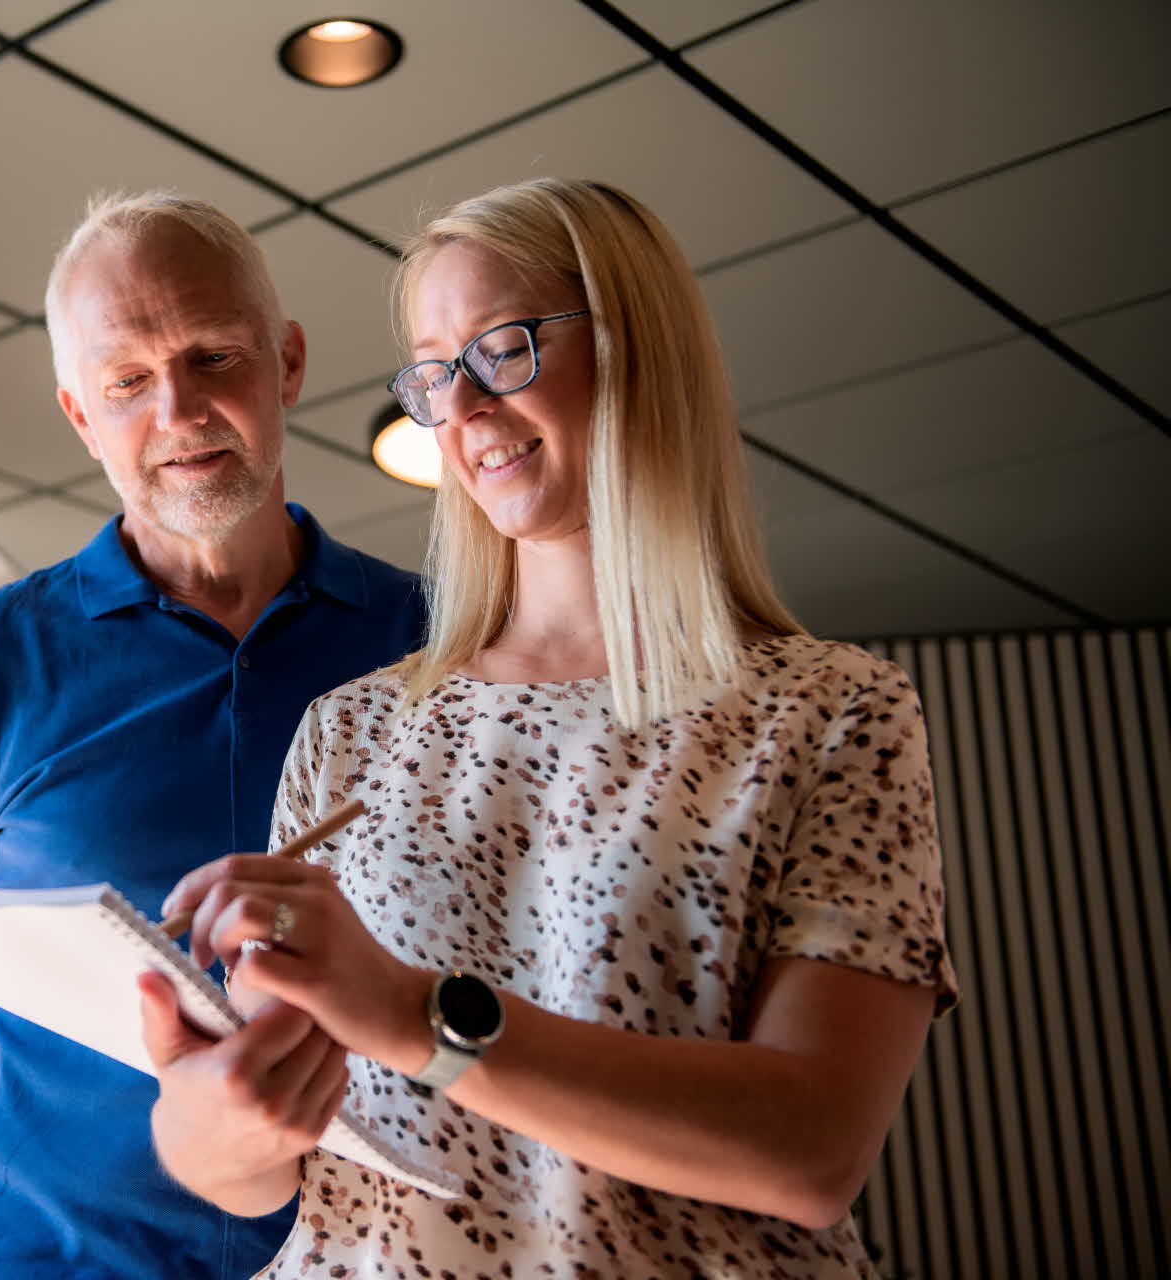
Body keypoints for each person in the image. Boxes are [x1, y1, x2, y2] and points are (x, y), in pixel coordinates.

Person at [141, 177, 959, 1278]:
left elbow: (811, 1149)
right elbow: (259, 1168)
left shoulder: (829, 711)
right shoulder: (354, 729)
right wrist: (210, 1115)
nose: (464, 410)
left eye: (504, 348)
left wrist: (417, 1015)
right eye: (435, 375)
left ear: (636, 349)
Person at [0, 191, 426, 1279]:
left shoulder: (435, 643)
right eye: (128, 380)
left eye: (216, 355)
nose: (180, 409)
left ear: (288, 363)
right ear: (81, 413)